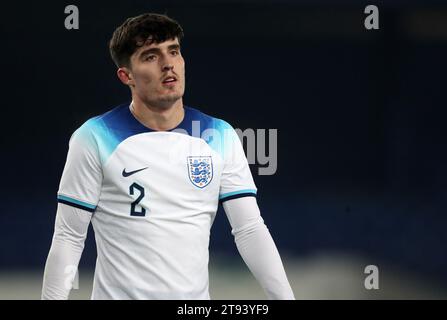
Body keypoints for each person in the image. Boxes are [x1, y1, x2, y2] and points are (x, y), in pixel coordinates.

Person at [42, 12, 295, 300]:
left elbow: (249, 229)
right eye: (151, 56)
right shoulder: (94, 137)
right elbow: (69, 237)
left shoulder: (220, 136)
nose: (168, 64)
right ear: (126, 76)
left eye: (173, 51)